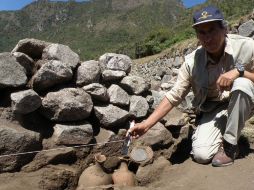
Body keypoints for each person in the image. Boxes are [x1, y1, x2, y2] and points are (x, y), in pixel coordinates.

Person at [128, 6, 254, 167]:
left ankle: (229, 146)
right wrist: (146, 124)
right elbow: (174, 95)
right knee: (202, 155)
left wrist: (239, 72)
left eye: (212, 30)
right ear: (197, 36)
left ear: (225, 29)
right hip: (215, 109)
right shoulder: (192, 62)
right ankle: (229, 131)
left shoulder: (247, 47)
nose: (208, 38)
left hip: (249, 101)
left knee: (242, 84)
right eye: (202, 32)